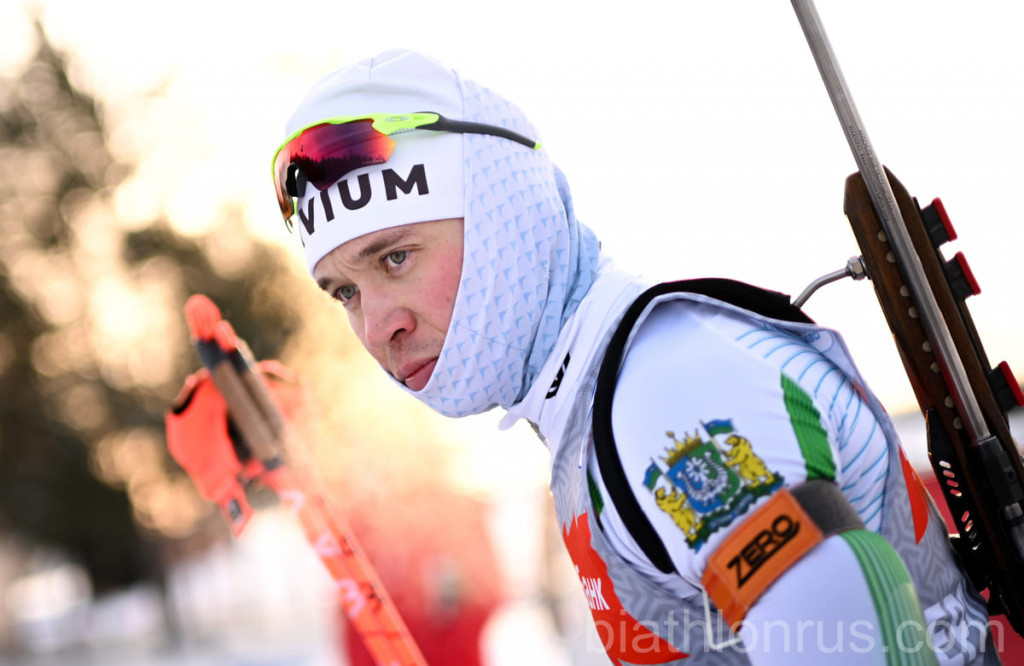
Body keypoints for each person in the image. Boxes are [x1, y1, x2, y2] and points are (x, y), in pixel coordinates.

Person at [266, 50, 998, 664]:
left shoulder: (662, 392)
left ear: (499, 216)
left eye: (396, 257)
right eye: (345, 293)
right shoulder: (592, 403)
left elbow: (847, 630)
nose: (377, 327)